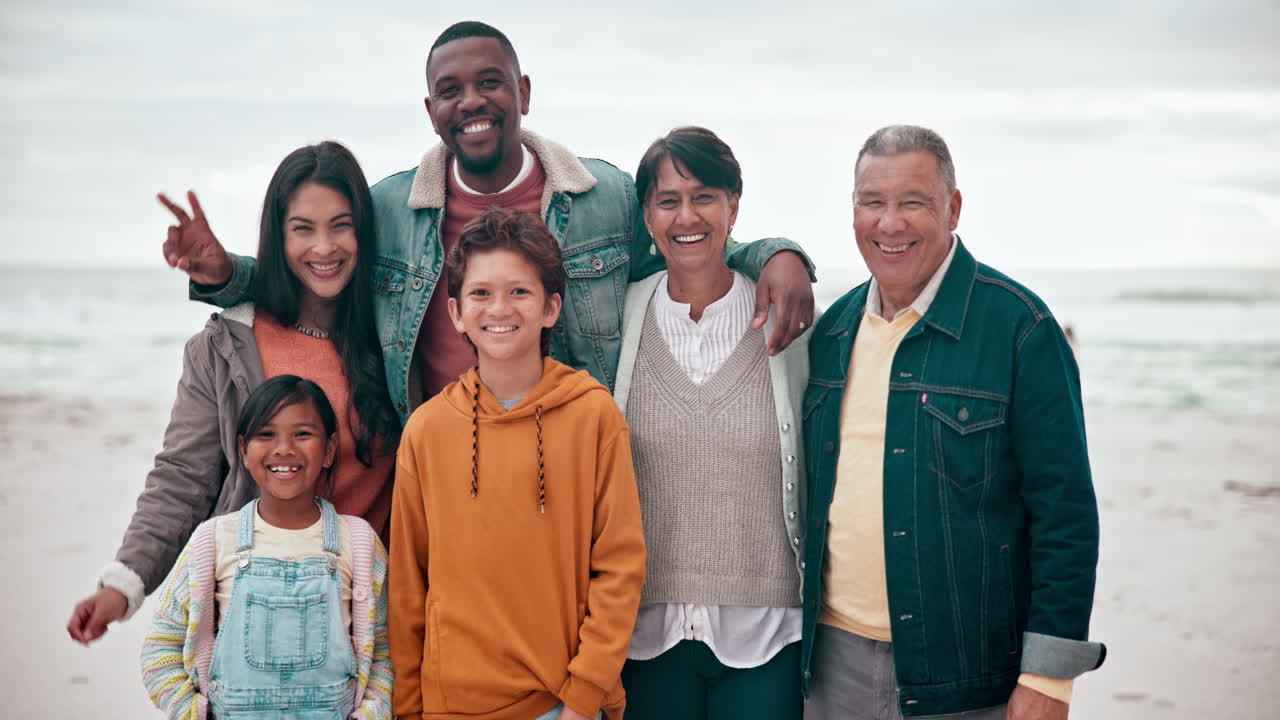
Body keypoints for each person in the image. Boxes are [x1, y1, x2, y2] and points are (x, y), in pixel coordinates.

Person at [158, 21, 815, 426]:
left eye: (490, 83)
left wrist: (773, 255)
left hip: (574, 458)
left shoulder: (604, 195)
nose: (472, 101)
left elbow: (688, 251)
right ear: (431, 110)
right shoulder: (391, 209)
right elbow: (316, 274)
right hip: (443, 460)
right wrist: (222, 273)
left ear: (523, 92)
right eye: (451, 90)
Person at [800, 126, 1105, 720]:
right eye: (872, 202)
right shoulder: (832, 331)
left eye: (913, 202)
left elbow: (1065, 511)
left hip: (966, 677)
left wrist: (1050, 676)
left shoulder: (1021, 328)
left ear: (953, 208)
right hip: (830, 667)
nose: (890, 223)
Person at [67, 141, 400, 646]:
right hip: (250, 621)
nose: (324, 247)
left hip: (370, 624)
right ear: (277, 235)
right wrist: (123, 585)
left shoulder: (397, 343)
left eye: (341, 225)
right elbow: (183, 475)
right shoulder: (226, 347)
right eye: (302, 228)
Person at [390, 207, 645, 720]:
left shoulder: (593, 416)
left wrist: (583, 698)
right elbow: (408, 588)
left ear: (551, 307)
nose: (499, 308)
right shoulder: (426, 430)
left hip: (562, 704)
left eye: (519, 291)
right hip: (450, 708)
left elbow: (619, 567)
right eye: (481, 293)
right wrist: (410, 707)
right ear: (456, 312)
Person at [611, 127, 810, 720]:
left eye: (704, 197)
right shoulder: (618, 318)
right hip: (644, 634)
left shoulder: (790, 320)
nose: (686, 216)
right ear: (647, 216)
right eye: (667, 200)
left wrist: (784, 254)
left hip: (767, 632)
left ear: (733, 206)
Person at [140, 375, 392, 719]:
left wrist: (370, 714)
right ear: (244, 450)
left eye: (302, 434)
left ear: (329, 450)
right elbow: (160, 647)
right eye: (266, 434)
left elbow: (383, 653)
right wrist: (193, 712)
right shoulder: (212, 541)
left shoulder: (359, 543)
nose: (284, 448)